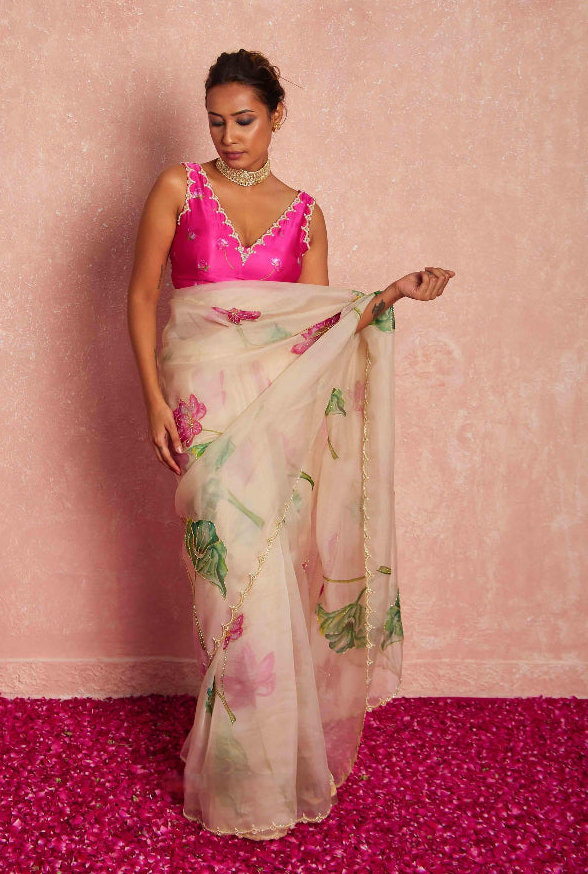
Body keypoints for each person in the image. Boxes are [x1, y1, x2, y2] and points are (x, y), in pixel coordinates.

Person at [127, 49, 454, 840]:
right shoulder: (179, 187)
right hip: (205, 409)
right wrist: (151, 402)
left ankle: (259, 780)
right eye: (216, 121)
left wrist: (389, 296)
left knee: (269, 577)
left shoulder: (306, 212)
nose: (229, 136)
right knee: (229, 580)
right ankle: (241, 773)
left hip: (276, 416)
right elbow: (142, 295)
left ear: (277, 116)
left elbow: (320, 328)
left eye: (243, 120)